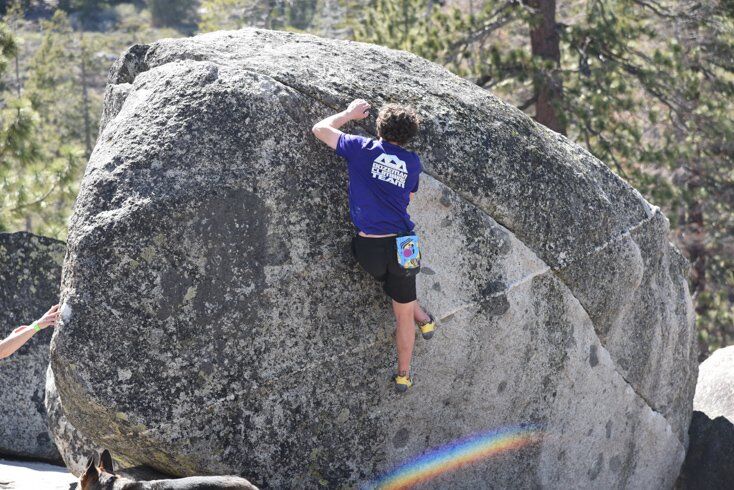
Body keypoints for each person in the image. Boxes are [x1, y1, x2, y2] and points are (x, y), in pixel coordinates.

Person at [312, 99, 436, 392]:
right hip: (405, 245)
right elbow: (410, 197)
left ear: (379, 127)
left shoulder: (361, 148)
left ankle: (422, 316)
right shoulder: (412, 163)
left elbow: (320, 129)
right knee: (402, 308)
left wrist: (350, 114)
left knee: (389, 283)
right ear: (409, 136)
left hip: (370, 248)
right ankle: (404, 373)